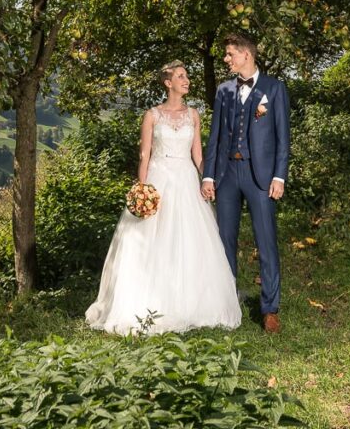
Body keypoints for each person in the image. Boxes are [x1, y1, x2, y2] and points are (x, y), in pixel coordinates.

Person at [85, 61, 242, 334]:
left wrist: (208, 179)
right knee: (151, 238)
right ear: (168, 83)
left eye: (187, 75)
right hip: (159, 179)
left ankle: (192, 302)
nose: (187, 80)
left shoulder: (193, 114)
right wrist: (142, 189)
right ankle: (151, 300)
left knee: (190, 239)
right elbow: (144, 154)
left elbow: (198, 155)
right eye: (181, 76)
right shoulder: (152, 115)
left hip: (185, 179)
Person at [201, 33, 290, 333]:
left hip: (261, 177)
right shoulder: (224, 90)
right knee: (225, 241)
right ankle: (227, 303)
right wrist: (209, 175)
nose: (226, 60)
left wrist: (279, 176)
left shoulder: (273, 88)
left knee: (266, 241)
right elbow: (215, 136)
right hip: (227, 175)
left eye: (229, 54)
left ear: (246, 55)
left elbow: (282, 137)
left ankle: (270, 309)